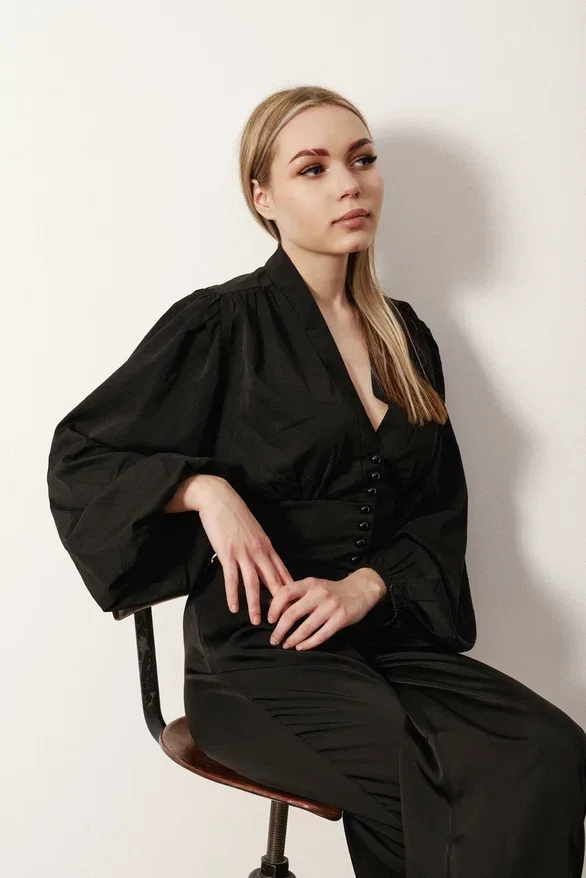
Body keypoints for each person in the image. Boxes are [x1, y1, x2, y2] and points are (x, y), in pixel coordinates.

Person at [46, 85, 586, 877]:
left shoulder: (408, 339)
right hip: (255, 657)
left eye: (362, 160)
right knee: (440, 770)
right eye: (314, 168)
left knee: (549, 749)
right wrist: (203, 490)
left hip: (380, 641)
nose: (349, 184)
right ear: (263, 198)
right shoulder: (220, 325)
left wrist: (366, 586)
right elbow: (82, 457)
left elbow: (438, 511)